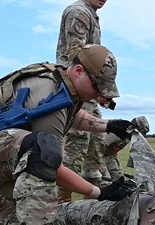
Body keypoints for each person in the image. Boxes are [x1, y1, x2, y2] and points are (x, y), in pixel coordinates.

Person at [0, 44, 137, 224]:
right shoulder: (50, 92)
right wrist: (100, 192)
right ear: (79, 70)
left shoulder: (61, 81)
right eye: (97, 87)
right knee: (42, 152)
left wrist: (109, 125)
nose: (99, 94)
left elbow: (72, 117)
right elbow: (50, 164)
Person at [54, 128, 155, 225]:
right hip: (139, 196)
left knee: (60, 214)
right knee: (59, 213)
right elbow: (106, 150)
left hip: (124, 209)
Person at [56, 0, 109, 202]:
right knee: (76, 147)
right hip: (75, 89)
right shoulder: (79, 12)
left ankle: (92, 207)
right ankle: (63, 205)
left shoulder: (90, 14)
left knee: (96, 144)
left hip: (88, 90)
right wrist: (97, 89)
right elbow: (78, 58)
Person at [101, 116, 150, 181]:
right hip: (97, 156)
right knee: (106, 181)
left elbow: (114, 151)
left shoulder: (128, 136)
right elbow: (98, 146)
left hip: (108, 157)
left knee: (120, 179)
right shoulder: (118, 131)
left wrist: (116, 165)